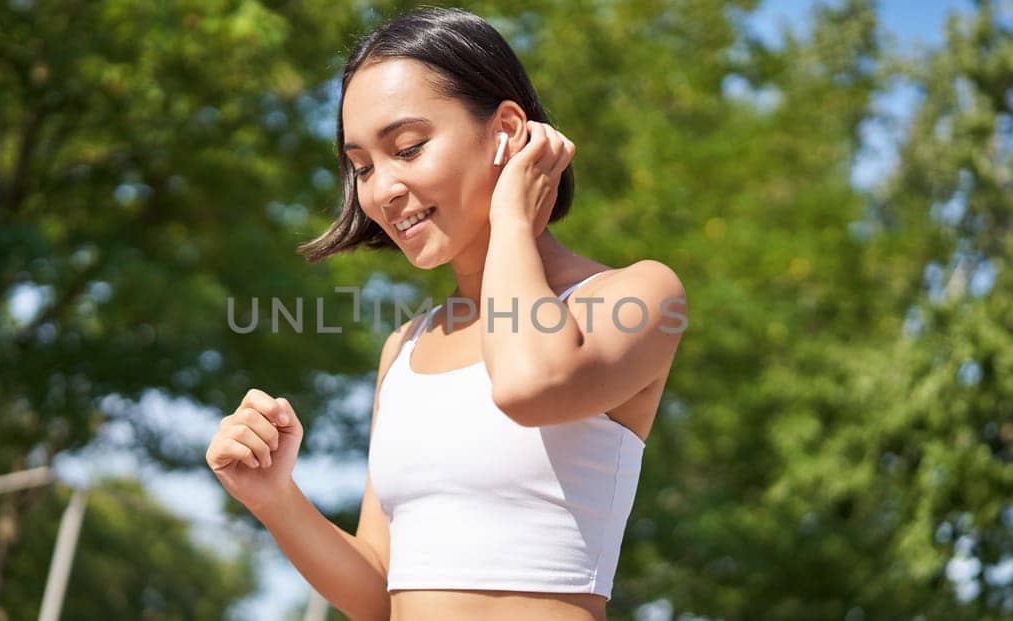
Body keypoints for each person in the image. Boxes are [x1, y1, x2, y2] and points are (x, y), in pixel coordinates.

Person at [205, 7, 686, 620]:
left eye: (407, 147)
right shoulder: (405, 349)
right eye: (362, 166)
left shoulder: (635, 297)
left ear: (508, 130)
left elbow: (526, 386)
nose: (380, 190)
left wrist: (514, 219)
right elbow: (381, 592)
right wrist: (273, 497)